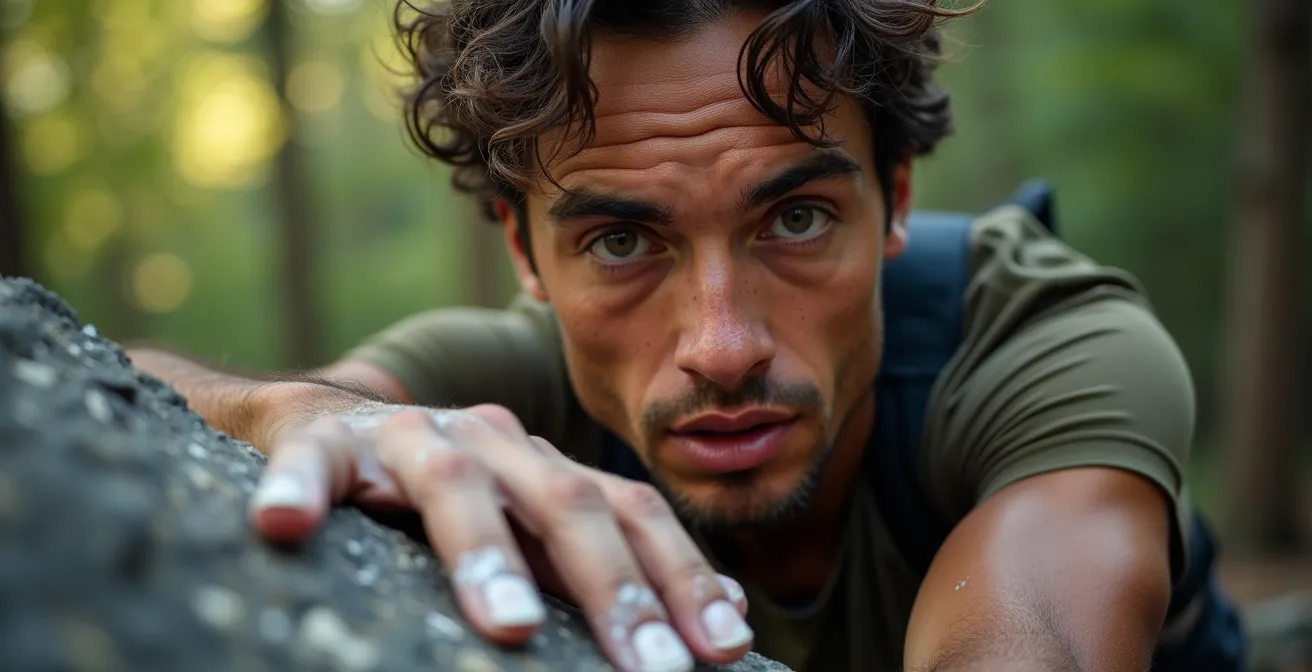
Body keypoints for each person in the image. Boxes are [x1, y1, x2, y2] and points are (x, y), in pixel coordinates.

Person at [127, 1, 1248, 670]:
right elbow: (123, 373)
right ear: (526, 253)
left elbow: (1032, 639)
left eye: (796, 219)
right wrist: (297, 410)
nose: (721, 347)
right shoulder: (507, 387)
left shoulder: (1048, 347)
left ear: (897, 194)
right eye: (621, 241)